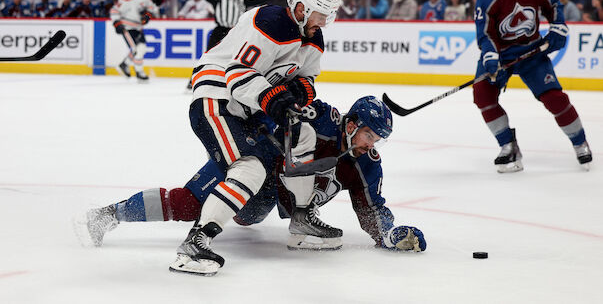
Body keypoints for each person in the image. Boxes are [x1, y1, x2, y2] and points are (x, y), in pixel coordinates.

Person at [75, 96, 426, 263]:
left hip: (271, 194)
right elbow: (280, 115)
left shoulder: (366, 164)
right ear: (351, 125)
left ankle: (297, 218)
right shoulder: (321, 118)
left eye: (377, 140)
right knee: (188, 203)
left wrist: (388, 234)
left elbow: (371, 207)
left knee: (248, 216)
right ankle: (108, 214)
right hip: (254, 158)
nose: (372, 144)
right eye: (369, 135)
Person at [171, 0, 340, 276]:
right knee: (250, 169)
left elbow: (308, 79)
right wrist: (276, 100)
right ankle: (195, 243)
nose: (324, 22)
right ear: (300, 8)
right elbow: (237, 75)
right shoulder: (269, 21)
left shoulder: (313, 36)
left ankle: (301, 218)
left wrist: (296, 94)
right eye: (320, 14)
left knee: (304, 135)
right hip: (218, 98)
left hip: (250, 106)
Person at [473, 0, 592, 173]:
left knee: (555, 98)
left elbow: (554, 8)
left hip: (532, 52)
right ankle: (507, 145)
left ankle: (580, 142)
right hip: (501, 55)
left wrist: (558, 27)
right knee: (482, 94)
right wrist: (491, 57)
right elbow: (485, 34)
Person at [181, 0, 288, 89]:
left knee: (235, 57)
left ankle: (229, 79)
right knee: (208, 56)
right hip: (219, 31)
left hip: (235, 32)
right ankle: (194, 79)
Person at [110, 0, 159, 82]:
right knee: (138, 49)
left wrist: (147, 15)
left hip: (138, 27)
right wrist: (117, 23)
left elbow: (151, 8)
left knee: (141, 48)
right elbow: (114, 10)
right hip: (127, 27)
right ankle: (139, 72)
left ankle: (124, 64)